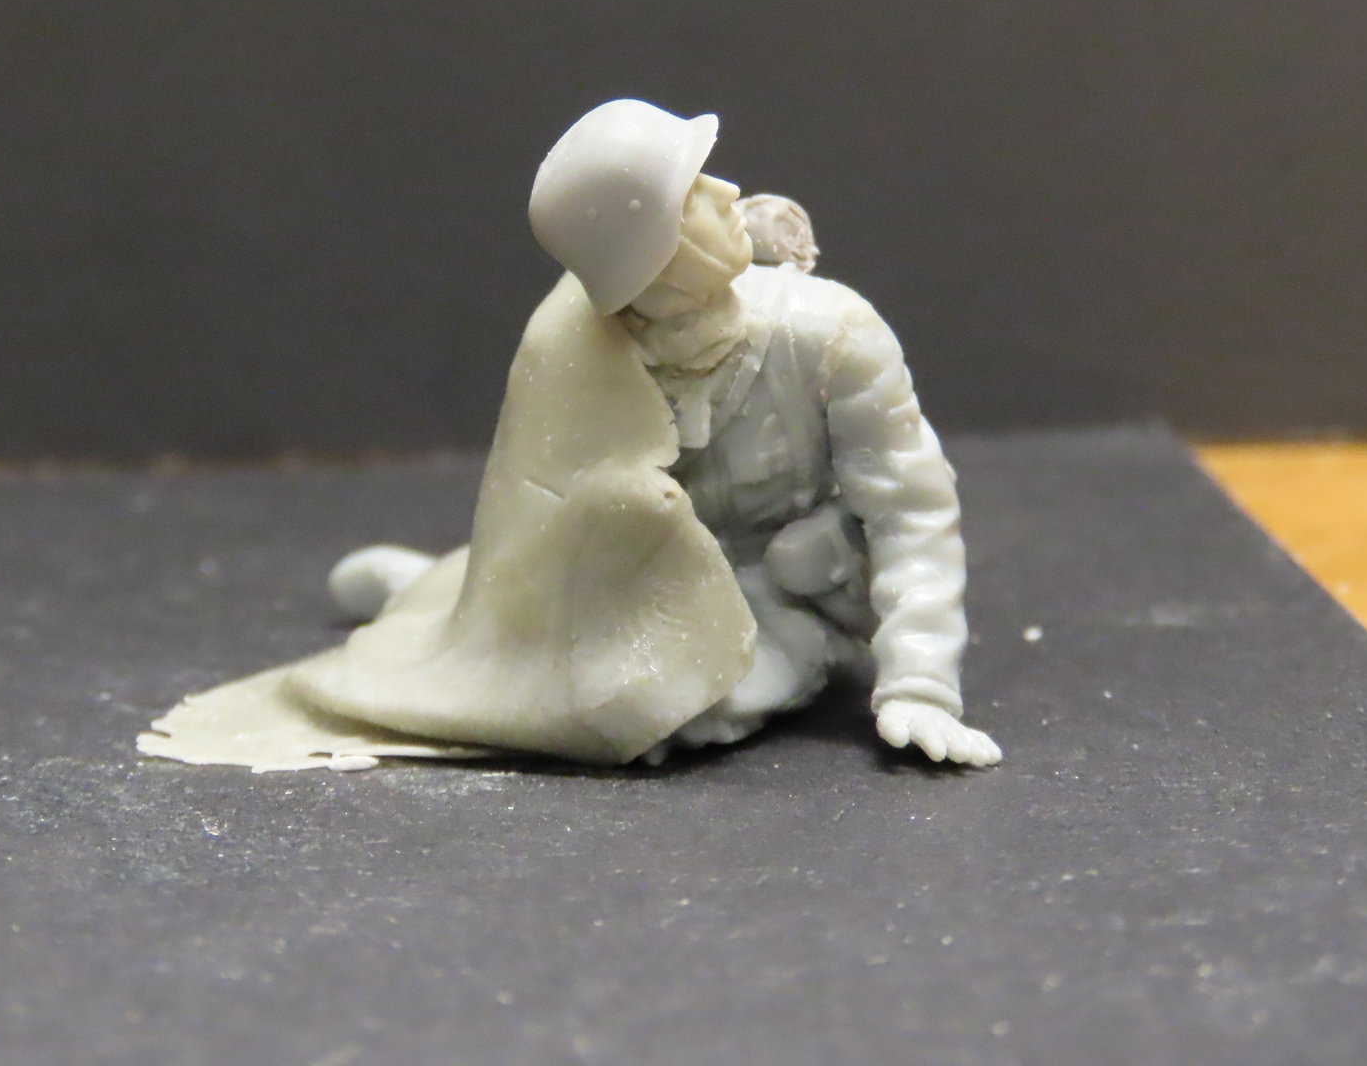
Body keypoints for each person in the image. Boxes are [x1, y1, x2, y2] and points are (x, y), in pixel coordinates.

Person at [328, 98, 1000, 768]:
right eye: (691, 196)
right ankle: (441, 610)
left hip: (796, 589)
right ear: (653, 256)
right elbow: (537, 515)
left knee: (677, 707)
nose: (728, 192)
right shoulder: (581, 352)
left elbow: (910, 510)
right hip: (647, 589)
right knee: (571, 687)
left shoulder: (829, 335)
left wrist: (920, 683)